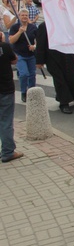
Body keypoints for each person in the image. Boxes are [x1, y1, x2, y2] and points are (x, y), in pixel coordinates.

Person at [35, 22, 74, 114]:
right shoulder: (44, 26)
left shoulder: (66, 23)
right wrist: (39, 60)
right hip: (52, 58)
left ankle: (71, 95)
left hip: (67, 55)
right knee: (60, 80)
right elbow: (40, 43)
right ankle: (63, 103)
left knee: (71, 77)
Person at [1, 32, 24, 163]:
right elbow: (14, 60)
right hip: (5, 89)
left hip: (5, 88)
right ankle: (8, 151)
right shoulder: (5, 46)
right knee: (6, 121)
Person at [8, 8, 37, 103]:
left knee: (32, 74)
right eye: (22, 15)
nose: (24, 17)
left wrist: (34, 46)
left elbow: (38, 40)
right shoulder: (15, 27)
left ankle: (32, 92)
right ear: (19, 16)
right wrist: (20, 32)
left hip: (31, 55)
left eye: (26, 15)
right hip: (20, 54)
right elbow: (11, 41)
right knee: (24, 74)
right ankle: (23, 92)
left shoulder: (33, 27)